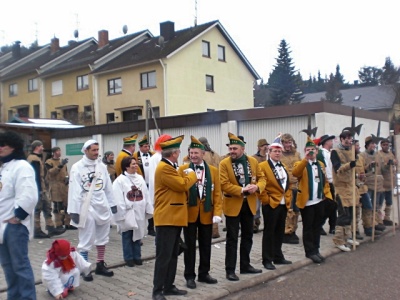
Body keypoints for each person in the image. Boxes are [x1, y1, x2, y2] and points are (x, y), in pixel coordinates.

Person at [152, 135, 197, 300]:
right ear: (174, 153)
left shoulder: (171, 166)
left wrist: (183, 170)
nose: (179, 153)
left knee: (172, 255)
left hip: (174, 217)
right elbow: (182, 185)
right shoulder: (164, 168)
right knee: (164, 257)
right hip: (167, 218)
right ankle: (157, 291)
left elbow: (179, 179)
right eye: (178, 151)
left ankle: (169, 286)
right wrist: (191, 173)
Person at [67, 139, 118, 281]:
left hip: (101, 205)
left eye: (97, 150)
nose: (97, 152)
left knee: (102, 237)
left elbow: (107, 186)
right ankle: (84, 268)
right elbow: (74, 190)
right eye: (94, 150)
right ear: (86, 151)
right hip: (85, 206)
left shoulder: (101, 166)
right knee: (86, 238)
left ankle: (100, 264)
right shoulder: (77, 167)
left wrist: (112, 203)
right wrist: (74, 211)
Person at [219, 132, 265, 281]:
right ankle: (230, 270)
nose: (232, 151)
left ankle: (245, 265)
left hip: (249, 204)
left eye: (235, 148)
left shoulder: (252, 161)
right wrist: (241, 190)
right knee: (232, 238)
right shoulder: (224, 163)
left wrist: (257, 187)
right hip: (233, 204)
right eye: (230, 148)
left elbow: (262, 178)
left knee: (248, 236)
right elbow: (224, 184)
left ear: (242, 149)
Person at [178, 136, 222, 289]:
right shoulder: (183, 169)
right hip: (189, 214)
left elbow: (217, 193)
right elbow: (180, 191)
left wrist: (217, 212)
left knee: (206, 245)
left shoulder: (213, 171)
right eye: (191, 153)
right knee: (189, 247)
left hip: (206, 213)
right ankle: (189, 276)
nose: (194, 156)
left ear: (203, 154)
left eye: (196, 153)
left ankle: (204, 273)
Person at [0, 131, 38, 300]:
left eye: (4, 144)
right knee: (8, 268)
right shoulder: (3, 167)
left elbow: (29, 195)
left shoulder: (22, 166)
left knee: (20, 267)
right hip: (1, 226)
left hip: (14, 226)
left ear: (13, 146)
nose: (0, 148)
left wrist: (18, 216)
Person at [292, 137, 333, 264]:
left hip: (319, 200)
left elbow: (325, 181)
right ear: (304, 151)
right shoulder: (300, 164)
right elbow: (295, 173)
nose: (311, 152)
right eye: (308, 150)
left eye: (313, 150)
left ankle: (316, 249)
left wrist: (327, 195)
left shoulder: (320, 164)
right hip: (307, 202)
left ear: (316, 151)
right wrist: (305, 159)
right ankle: (309, 251)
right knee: (308, 227)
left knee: (317, 226)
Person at [113, 156, 153, 267]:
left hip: (139, 211)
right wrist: (121, 213)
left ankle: (137, 256)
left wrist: (148, 208)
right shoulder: (119, 181)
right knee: (127, 235)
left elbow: (145, 193)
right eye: (133, 164)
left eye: (136, 163)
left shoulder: (140, 178)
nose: (136, 166)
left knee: (138, 235)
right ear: (126, 166)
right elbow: (117, 198)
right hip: (127, 212)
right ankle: (128, 258)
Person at [258, 141, 292, 270]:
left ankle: (278, 256)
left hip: (283, 203)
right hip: (271, 203)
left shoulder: (282, 165)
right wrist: (266, 200)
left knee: (279, 231)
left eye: (279, 151)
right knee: (269, 232)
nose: (277, 153)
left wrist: (288, 197)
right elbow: (260, 185)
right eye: (275, 151)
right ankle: (267, 259)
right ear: (269, 152)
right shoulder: (263, 166)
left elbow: (287, 183)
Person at [28, 140, 65, 238]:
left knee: (47, 207)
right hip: (38, 189)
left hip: (42, 188)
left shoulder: (37, 158)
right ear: (37, 147)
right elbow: (35, 176)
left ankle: (51, 228)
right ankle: (37, 230)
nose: (43, 148)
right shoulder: (34, 159)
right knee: (37, 210)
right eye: (42, 146)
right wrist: (39, 190)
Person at [330, 130, 359, 252]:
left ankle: (347, 237)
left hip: (351, 186)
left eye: (350, 138)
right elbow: (338, 168)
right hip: (341, 187)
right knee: (343, 214)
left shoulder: (352, 151)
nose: (348, 140)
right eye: (346, 138)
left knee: (351, 214)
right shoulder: (335, 152)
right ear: (341, 139)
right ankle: (338, 240)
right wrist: (350, 165)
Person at [359, 136, 386, 232]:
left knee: (376, 204)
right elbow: (362, 169)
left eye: (374, 144)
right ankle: (368, 225)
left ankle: (376, 222)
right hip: (368, 183)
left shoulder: (378, 155)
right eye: (371, 144)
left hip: (377, 183)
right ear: (367, 145)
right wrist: (369, 166)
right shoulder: (362, 155)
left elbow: (383, 168)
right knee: (368, 206)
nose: (373, 146)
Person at [354, 140, 381, 237]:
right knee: (356, 210)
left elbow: (363, 169)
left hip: (362, 186)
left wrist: (369, 166)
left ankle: (368, 228)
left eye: (358, 145)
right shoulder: (349, 158)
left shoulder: (360, 157)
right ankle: (355, 230)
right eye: (356, 145)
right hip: (354, 187)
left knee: (368, 206)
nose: (359, 147)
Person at [45, 147, 75, 231]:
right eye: (58, 151)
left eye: (60, 150)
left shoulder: (62, 161)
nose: (59, 152)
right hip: (55, 186)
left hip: (64, 186)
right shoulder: (49, 162)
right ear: (54, 152)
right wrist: (60, 165)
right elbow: (50, 172)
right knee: (58, 206)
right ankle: (58, 224)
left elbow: (65, 172)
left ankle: (68, 223)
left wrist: (67, 178)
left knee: (67, 205)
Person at [198, 136, 222, 239]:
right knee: (214, 206)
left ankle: (199, 232)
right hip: (216, 184)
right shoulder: (215, 154)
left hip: (204, 184)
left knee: (203, 208)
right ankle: (215, 231)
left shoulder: (202, 155)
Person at [280, 133, 302, 244]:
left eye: (289, 142)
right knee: (289, 210)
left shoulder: (297, 154)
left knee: (296, 210)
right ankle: (286, 232)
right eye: (285, 142)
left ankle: (293, 230)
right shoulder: (280, 155)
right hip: (286, 186)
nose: (287, 145)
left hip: (297, 185)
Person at [133, 135, 156, 236]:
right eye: (145, 146)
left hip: (151, 184)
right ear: (140, 147)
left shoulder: (153, 155)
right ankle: (138, 227)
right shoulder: (135, 156)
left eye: (148, 146)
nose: (147, 148)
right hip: (140, 184)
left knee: (151, 205)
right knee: (140, 206)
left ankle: (151, 227)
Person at [317, 134, 337, 235]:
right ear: (326, 142)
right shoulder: (322, 153)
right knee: (329, 205)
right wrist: (329, 180)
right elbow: (326, 168)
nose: (332, 142)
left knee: (333, 205)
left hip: (331, 182)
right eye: (330, 141)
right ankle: (320, 224)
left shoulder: (329, 153)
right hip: (327, 183)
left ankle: (332, 226)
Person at [377, 138, 397, 226]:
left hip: (390, 182)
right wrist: (388, 163)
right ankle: (379, 219)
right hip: (382, 183)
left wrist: (395, 163)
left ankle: (387, 218)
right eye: (384, 144)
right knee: (380, 202)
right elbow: (382, 168)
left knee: (389, 202)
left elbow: (395, 166)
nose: (386, 146)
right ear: (381, 145)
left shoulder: (391, 154)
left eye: (387, 145)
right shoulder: (379, 155)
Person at [252, 138, 269, 233]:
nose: (265, 147)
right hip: (258, 185)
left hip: (268, 185)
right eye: (263, 146)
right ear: (259, 147)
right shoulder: (254, 158)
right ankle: (255, 224)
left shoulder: (269, 157)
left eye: (266, 145)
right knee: (256, 207)